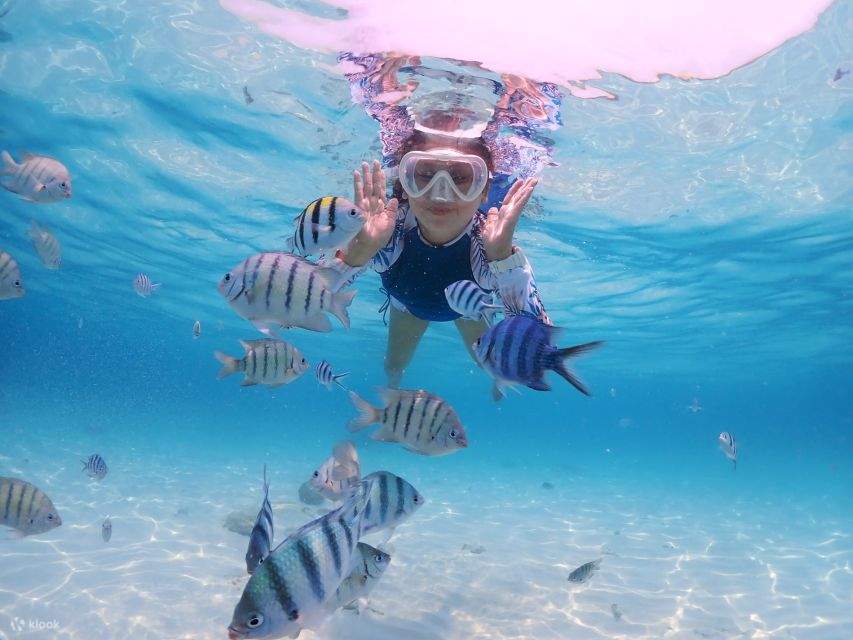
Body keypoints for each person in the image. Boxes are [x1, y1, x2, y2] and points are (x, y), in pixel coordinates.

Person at [329, 125, 550, 388]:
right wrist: (360, 249)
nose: (440, 193)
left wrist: (503, 258)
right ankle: (391, 397)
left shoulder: (488, 245)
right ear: (405, 183)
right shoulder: (386, 232)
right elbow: (305, 292)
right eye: (424, 174)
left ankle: (498, 386)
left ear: (483, 191)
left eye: (460, 177)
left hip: (470, 311)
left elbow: (540, 345)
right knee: (394, 366)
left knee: (492, 366)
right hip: (406, 306)